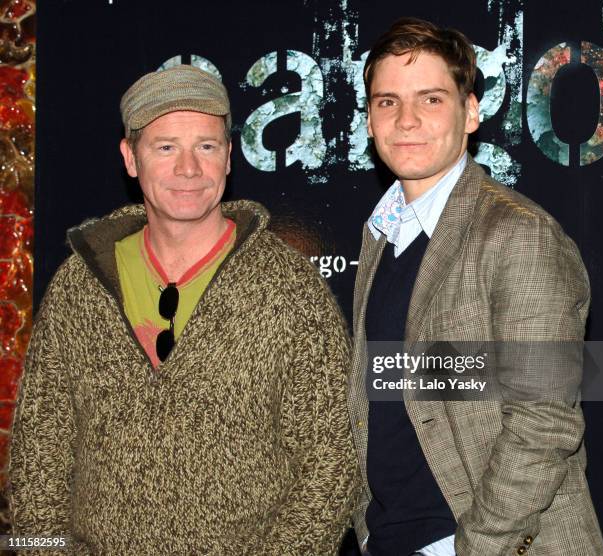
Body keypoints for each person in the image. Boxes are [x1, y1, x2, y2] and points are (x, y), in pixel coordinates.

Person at [9, 64, 358, 554]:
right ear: (131, 158)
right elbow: (35, 459)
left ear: (230, 157)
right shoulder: (79, 286)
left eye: (207, 146)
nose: (189, 169)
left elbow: (333, 461)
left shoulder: (290, 290)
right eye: (166, 147)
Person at [348, 18, 603, 556]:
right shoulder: (381, 232)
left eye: (431, 99)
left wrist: (476, 545)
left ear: (471, 112)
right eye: (387, 102)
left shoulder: (519, 235)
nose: (407, 120)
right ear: (370, 120)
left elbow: (544, 422)